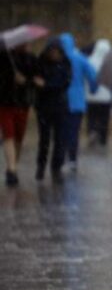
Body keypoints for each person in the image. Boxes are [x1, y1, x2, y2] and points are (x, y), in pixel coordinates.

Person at [34, 39, 72, 183]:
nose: (55, 55)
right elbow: (37, 82)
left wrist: (46, 85)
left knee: (60, 139)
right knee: (44, 139)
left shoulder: (65, 64)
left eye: (57, 52)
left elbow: (64, 83)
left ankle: (56, 166)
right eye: (52, 52)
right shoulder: (41, 63)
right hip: (44, 107)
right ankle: (41, 166)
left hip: (60, 107)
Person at [0, 41, 38, 186]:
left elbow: (37, 79)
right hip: (5, 102)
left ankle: (13, 165)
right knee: (8, 134)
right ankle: (12, 169)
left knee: (18, 136)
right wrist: (10, 78)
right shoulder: (4, 57)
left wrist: (26, 81)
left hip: (23, 103)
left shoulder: (31, 59)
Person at [60, 33, 98, 172]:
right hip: (77, 101)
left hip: (60, 101)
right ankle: (72, 159)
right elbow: (93, 76)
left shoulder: (58, 60)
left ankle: (61, 156)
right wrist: (93, 89)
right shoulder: (80, 59)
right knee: (74, 131)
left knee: (61, 131)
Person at [84, 39, 112, 147]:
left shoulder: (89, 60)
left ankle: (92, 131)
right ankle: (102, 139)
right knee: (104, 119)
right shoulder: (110, 63)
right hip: (105, 97)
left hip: (90, 96)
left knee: (91, 117)